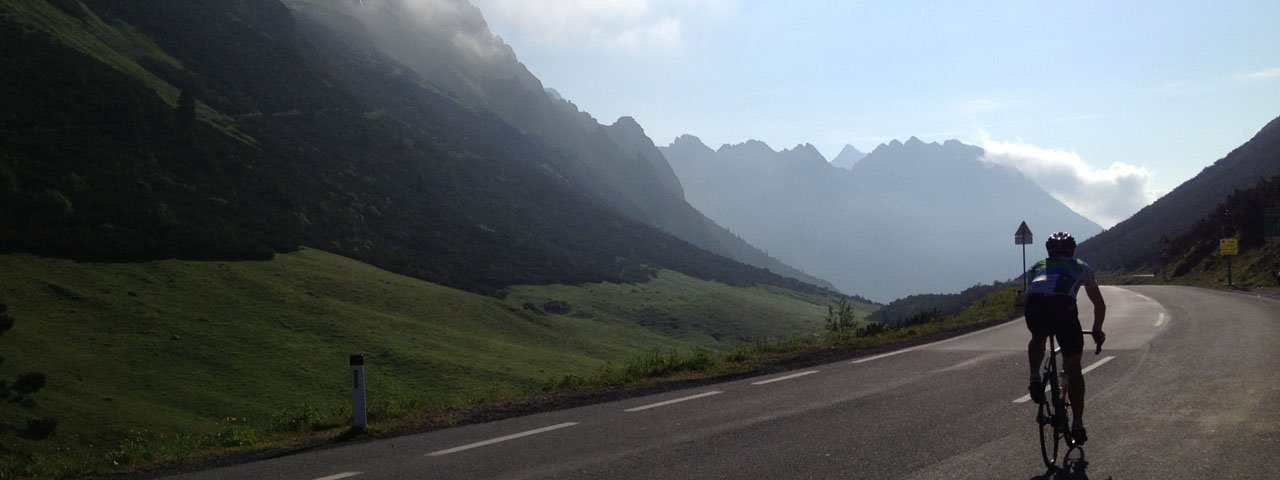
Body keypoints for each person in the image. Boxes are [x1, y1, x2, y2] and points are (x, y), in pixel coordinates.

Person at [1024, 231, 1106, 444]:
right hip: (1063, 310)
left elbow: (1033, 290)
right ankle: (1077, 424)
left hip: (1034, 307)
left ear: (1048, 250)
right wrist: (1097, 330)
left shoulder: (1036, 266)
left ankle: (1034, 377)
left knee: (1038, 337)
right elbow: (1099, 304)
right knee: (1074, 367)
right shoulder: (1081, 267)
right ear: (1072, 249)